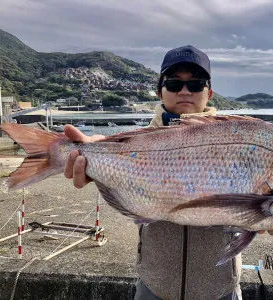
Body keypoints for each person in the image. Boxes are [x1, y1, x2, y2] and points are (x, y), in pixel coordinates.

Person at [64, 45, 243, 299]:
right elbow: (113, 166)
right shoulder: (133, 141)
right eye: (173, 84)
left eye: (195, 84)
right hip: (155, 285)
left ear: (209, 93)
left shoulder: (236, 142)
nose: (184, 91)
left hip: (220, 288)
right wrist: (95, 161)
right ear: (160, 91)